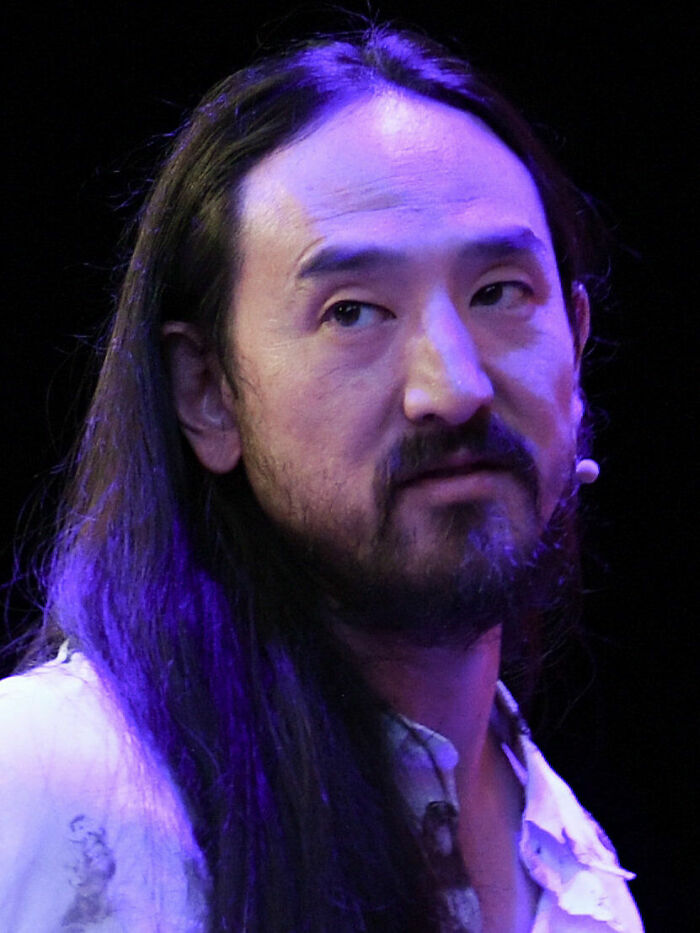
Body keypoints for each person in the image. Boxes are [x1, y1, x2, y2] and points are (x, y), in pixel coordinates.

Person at [0, 25, 643, 932]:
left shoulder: (584, 880)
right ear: (208, 394)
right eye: (354, 313)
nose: (453, 388)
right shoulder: (55, 785)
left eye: (500, 292)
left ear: (577, 349)